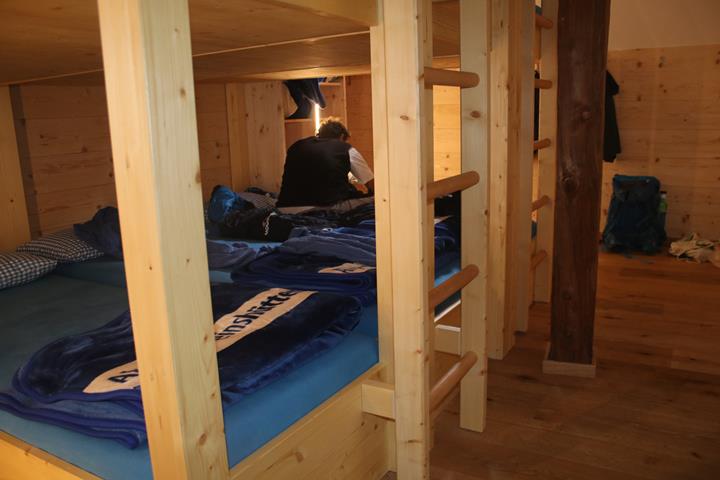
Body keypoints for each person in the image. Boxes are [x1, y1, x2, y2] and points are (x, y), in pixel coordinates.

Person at [276, 118, 374, 210]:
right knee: (377, 199)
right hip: (325, 207)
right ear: (342, 136)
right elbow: (371, 183)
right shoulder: (345, 148)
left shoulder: (297, 145)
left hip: (285, 207)